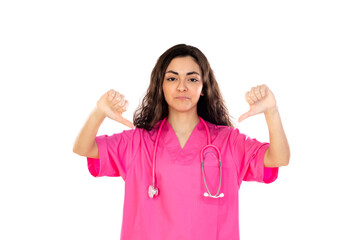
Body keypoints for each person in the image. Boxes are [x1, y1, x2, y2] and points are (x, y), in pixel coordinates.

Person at [73, 44, 290, 240]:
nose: (182, 86)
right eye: (172, 78)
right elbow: (83, 148)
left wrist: (271, 111)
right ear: (161, 86)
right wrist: (99, 112)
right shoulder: (138, 142)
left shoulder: (227, 141)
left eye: (192, 79)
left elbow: (278, 158)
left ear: (204, 88)